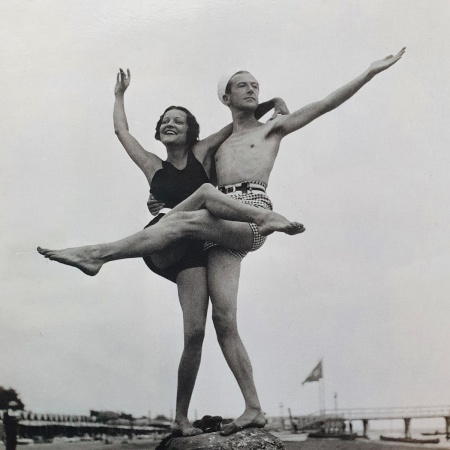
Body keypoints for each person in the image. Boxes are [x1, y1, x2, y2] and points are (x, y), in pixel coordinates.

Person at [38, 48, 405, 434]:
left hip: (245, 213)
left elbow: (323, 105)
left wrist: (369, 72)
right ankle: (253, 408)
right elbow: (162, 153)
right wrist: (158, 193)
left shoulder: (266, 130)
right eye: (242, 85)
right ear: (226, 98)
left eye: (256, 86)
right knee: (221, 320)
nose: (251, 89)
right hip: (214, 234)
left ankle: (98, 254)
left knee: (190, 212)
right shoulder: (213, 148)